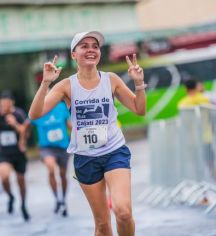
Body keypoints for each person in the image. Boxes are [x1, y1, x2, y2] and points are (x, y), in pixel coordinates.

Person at [29, 31, 146, 236]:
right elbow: (35, 114)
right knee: (102, 225)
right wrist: (46, 83)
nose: (91, 49)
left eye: (95, 46)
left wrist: (138, 84)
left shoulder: (111, 80)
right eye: (84, 46)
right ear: (74, 54)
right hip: (86, 158)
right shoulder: (66, 85)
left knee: (123, 212)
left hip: (114, 151)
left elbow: (139, 109)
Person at [0, 90, 30, 221]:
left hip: (18, 153)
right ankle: (10, 196)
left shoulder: (19, 114)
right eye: (2, 105)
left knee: (21, 181)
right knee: (4, 177)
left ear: (12, 104)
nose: (4, 107)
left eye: (6, 105)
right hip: (4, 153)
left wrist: (15, 124)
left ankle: (23, 205)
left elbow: (25, 131)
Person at [30, 101, 71, 217]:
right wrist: (22, 140)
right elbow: (28, 123)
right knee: (51, 169)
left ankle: (63, 199)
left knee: (63, 175)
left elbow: (69, 124)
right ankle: (57, 198)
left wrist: (81, 135)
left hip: (63, 146)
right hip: (46, 148)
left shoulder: (61, 107)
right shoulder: (38, 108)